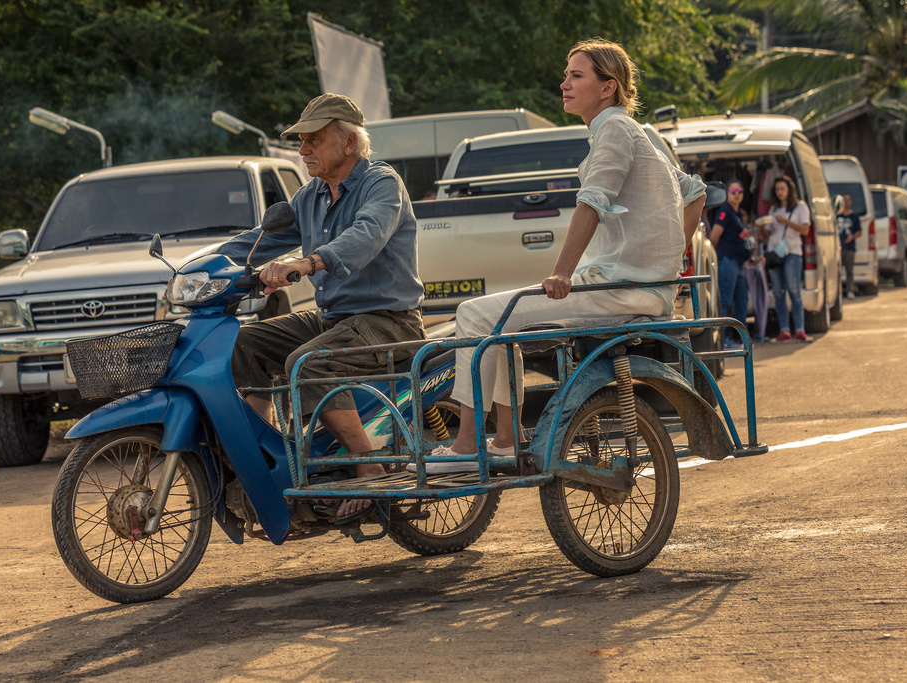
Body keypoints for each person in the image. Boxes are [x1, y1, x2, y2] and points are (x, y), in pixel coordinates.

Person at [413, 38, 685, 473]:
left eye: (576, 76)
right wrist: (667, 267)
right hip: (637, 287)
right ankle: (504, 438)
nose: (564, 84)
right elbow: (694, 192)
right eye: (566, 75)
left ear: (608, 86)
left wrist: (562, 273)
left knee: (473, 314)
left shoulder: (615, 129)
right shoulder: (630, 132)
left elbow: (591, 202)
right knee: (496, 322)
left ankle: (468, 445)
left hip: (621, 287)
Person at [216, 93, 425, 522]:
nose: (302, 149)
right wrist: (201, 266)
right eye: (301, 140)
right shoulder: (310, 195)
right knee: (241, 343)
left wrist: (308, 262)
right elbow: (259, 240)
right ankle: (266, 458)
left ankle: (369, 471)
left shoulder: (382, 184)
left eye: (313, 139)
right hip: (333, 319)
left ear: (349, 144)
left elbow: (366, 234)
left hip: (389, 322)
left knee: (306, 364)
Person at [760, 175, 812, 342]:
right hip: (775, 253)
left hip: (792, 253)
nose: (780, 192)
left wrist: (786, 222)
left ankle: (800, 329)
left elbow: (805, 229)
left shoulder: (799, 207)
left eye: (783, 189)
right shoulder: (774, 209)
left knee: (794, 291)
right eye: (777, 190)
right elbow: (767, 234)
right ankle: (784, 330)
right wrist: (762, 227)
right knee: (779, 293)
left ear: (789, 190)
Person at [710, 180, 751, 348]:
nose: (737, 194)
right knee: (725, 301)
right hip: (728, 261)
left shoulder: (738, 213)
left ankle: (743, 339)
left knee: (742, 301)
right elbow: (713, 237)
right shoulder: (725, 211)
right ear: (727, 193)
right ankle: (724, 339)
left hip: (739, 263)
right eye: (733, 191)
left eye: (740, 191)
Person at [837, 193, 862, 299]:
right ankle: (838, 292)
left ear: (851, 202)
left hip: (850, 248)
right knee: (837, 272)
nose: (846, 202)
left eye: (848, 200)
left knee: (849, 271)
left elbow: (859, 231)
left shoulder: (854, 217)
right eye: (844, 200)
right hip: (838, 248)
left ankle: (850, 290)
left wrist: (852, 237)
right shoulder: (837, 216)